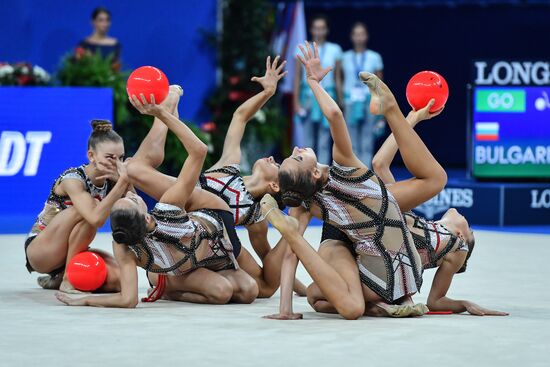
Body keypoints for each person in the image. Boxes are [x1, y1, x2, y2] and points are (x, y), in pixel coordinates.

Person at [268, 41, 449, 320]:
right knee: (434, 179)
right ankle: (395, 113)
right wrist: (314, 82)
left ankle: (400, 115)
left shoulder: (304, 198)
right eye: (297, 157)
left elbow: (294, 253)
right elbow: (335, 114)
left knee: (320, 296)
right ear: (314, 173)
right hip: (356, 222)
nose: (296, 149)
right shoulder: (341, 163)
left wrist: (285, 311)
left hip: (370, 211)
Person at [56, 89, 258, 307]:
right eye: (132, 199)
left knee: (249, 291)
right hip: (179, 266)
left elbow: (199, 151)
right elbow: (129, 299)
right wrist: (162, 114)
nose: (133, 196)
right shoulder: (156, 220)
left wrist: (163, 115)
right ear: (145, 217)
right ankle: (168, 288)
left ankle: (163, 116)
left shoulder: (146, 224)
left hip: (208, 248)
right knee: (223, 292)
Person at [370, 100, 508, 316]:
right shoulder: (413, 219)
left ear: (461, 236)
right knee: (315, 297)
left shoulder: (458, 248)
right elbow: (379, 164)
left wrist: (464, 304)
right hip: (371, 232)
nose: (465, 218)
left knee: (317, 298)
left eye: (469, 227)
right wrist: (412, 119)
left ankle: (379, 305)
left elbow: (435, 301)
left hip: (377, 255)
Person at [200, 56, 307, 297]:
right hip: (182, 224)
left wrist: (299, 288)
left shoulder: (256, 218)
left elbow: (268, 266)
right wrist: (267, 93)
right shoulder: (229, 165)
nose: (272, 158)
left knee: (266, 289)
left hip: (211, 245)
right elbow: (240, 117)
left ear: (274, 185)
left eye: (277, 164)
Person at [25, 120, 129, 293]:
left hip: (72, 251)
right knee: (91, 208)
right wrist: (121, 185)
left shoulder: (114, 181)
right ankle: (67, 279)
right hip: (42, 250)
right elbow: (95, 218)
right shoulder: (72, 179)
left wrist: (128, 185)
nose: (117, 164)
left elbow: (136, 213)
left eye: (121, 158)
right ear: (91, 156)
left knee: (119, 281)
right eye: (110, 157)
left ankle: (57, 278)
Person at [293, 14, 342, 165]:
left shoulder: (335, 49)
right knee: (307, 140)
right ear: (311, 29)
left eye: (322, 28)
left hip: (327, 96)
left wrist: (340, 102)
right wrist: (295, 102)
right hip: (307, 97)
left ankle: (322, 174)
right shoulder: (301, 48)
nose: (318, 31)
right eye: (316, 28)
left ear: (326, 30)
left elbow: (338, 78)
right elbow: (296, 78)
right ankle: (306, 173)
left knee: (324, 138)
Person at [342, 22, 384, 165]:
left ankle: (366, 174)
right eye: (356, 34)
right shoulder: (344, 57)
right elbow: (339, 79)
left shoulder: (374, 57)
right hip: (350, 102)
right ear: (351, 37)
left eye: (362, 34)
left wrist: (379, 102)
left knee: (367, 139)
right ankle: (354, 174)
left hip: (368, 101)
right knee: (351, 140)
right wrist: (340, 100)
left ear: (366, 36)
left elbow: (379, 82)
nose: (359, 38)